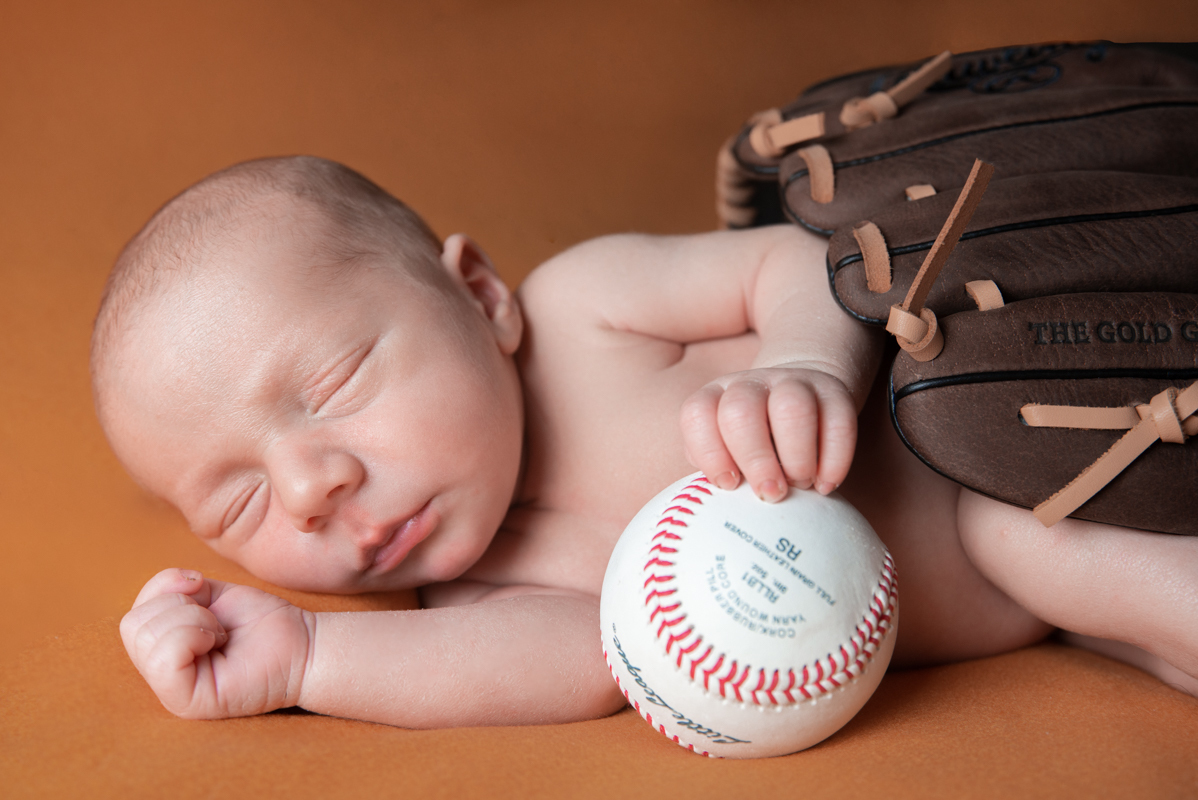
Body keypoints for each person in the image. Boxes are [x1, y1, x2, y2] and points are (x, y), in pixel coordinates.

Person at [95, 156, 1198, 728]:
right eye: (237, 505)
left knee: (1032, 537)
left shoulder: (584, 308)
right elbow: (590, 664)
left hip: (1026, 458)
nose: (307, 488)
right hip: (1050, 631)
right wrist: (303, 657)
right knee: (1111, 618)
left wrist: (805, 363)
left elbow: (800, 263)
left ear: (479, 295)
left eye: (332, 383)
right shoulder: (475, 594)